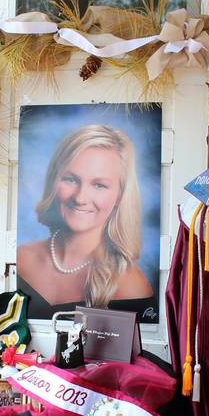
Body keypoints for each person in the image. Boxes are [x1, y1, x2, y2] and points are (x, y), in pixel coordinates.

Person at [17, 124, 153, 318]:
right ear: (54, 180)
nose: (80, 197)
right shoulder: (19, 259)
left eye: (99, 185)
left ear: (120, 195)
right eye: (71, 179)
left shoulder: (132, 287)